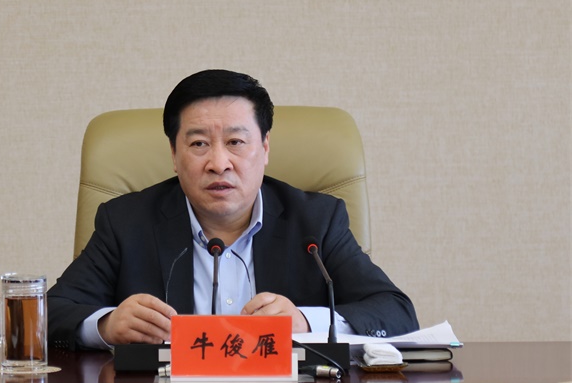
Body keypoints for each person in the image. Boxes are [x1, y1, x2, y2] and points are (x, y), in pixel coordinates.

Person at [48, 69, 419, 350]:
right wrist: (106, 325)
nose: (218, 163)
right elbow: (49, 313)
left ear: (265, 148)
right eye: (198, 144)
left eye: (236, 142)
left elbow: (396, 312)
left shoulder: (315, 222)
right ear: (174, 155)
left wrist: (306, 322)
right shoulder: (126, 223)